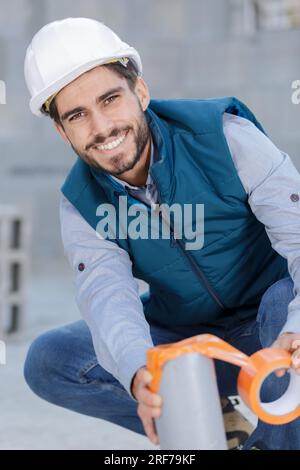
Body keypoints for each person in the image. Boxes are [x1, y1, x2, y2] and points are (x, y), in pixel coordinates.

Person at [23, 17, 300, 450]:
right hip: (190, 342)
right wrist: (140, 373)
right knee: (51, 359)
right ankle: (216, 426)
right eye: (78, 115)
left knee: (285, 302)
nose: (102, 128)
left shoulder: (225, 139)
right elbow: (107, 296)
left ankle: (273, 435)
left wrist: (297, 329)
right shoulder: (81, 204)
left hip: (273, 337)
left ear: (141, 92)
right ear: (62, 131)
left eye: (110, 99)